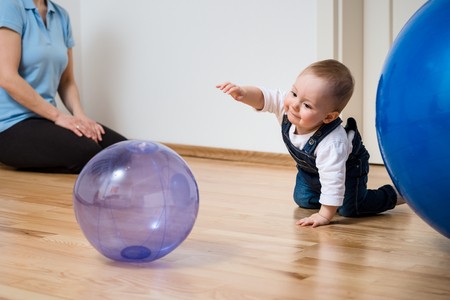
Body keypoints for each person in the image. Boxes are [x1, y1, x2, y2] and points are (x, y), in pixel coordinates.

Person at [216, 59, 404, 228]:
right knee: (303, 200)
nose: (294, 105)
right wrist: (243, 93)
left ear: (329, 117)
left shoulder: (332, 143)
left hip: (347, 169)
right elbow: (265, 97)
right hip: (311, 171)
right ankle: (329, 201)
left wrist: (324, 215)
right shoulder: (287, 107)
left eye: (307, 105)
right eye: (294, 93)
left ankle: (395, 195)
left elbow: (333, 180)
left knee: (350, 208)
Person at [0, 0, 126, 174]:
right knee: (90, 154)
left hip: (46, 119)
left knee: (123, 150)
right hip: (9, 124)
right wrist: (59, 116)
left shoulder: (61, 15)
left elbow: (66, 80)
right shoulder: (9, 6)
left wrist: (80, 116)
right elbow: (6, 77)